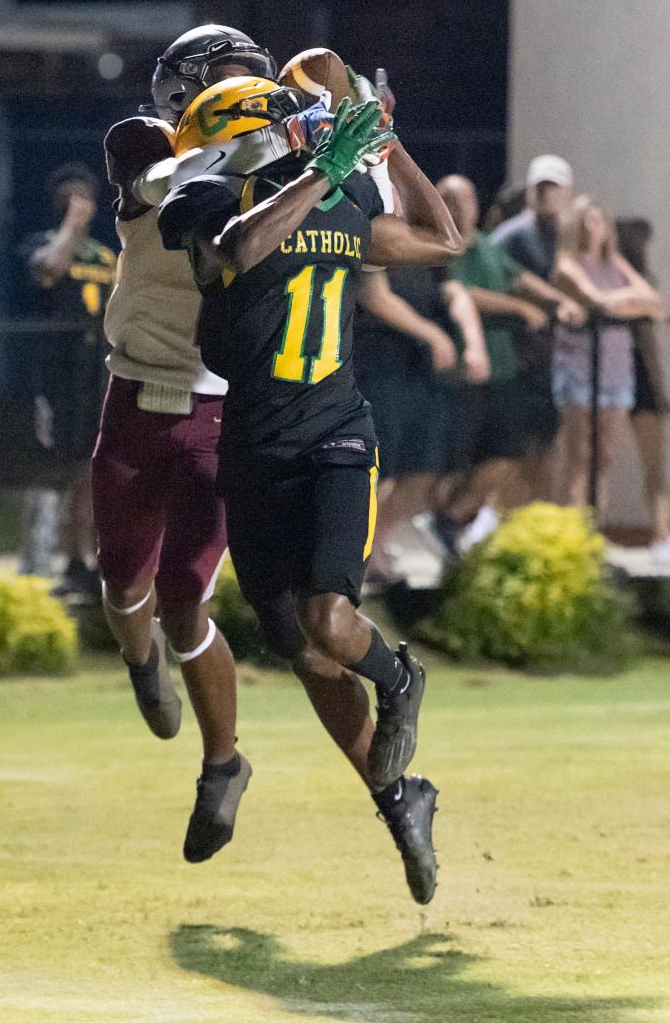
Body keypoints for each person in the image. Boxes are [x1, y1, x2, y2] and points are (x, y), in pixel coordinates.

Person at [160, 76, 463, 904]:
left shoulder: (339, 193)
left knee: (331, 621)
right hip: (254, 449)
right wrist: (324, 171)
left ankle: (401, 680)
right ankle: (398, 796)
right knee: (304, 653)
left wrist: (390, 146)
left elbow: (445, 240)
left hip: (336, 434)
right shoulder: (212, 198)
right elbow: (235, 251)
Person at [97, 23, 279, 863]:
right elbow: (166, 183)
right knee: (121, 581)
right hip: (136, 395)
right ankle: (140, 667)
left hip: (220, 405)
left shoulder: (275, 167)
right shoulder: (150, 142)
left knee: (185, 599)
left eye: (255, 86)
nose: (247, 103)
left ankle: (222, 765)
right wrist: (283, 144)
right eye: (231, 85)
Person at [433, 175, 584, 548]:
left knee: (505, 454)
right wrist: (519, 308)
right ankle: (436, 522)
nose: (461, 208)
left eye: (467, 200)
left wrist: (558, 301)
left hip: (502, 369)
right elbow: (462, 293)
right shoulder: (438, 248)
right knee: (449, 461)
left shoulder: (486, 245)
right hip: (458, 376)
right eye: (451, 200)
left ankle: (451, 519)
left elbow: (519, 278)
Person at [355, 264, 489, 582]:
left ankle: (377, 540)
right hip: (379, 366)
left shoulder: (427, 247)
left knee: (424, 473)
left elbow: (454, 289)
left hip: (423, 373)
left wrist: (472, 342)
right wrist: (433, 334)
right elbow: (376, 296)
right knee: (379, 472)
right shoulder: (377, 228)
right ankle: (362, 555)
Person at [20, 164, 116, 599]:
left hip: (99, 370)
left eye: (84, 197)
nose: (78, 203)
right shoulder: (42, 242)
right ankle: (50, 556)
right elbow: (48, 271)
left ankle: (86, 562)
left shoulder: (105, 255)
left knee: (91, 467)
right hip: (58, 372)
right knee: (60, 463)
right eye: (68, 197)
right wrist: (72, 226)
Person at [552, 196, 663, 516]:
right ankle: (571, 530)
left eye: (599, 220)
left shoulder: (614, 261)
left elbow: (653, 301)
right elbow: (595, 299)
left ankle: (593, 527)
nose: (594, 228)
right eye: (587, 220)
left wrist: (623, 300)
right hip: (580, 368)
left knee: (604, 458)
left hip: (616, 369)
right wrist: (629, 301)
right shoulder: (568, 263)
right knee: (580, 457)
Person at [490, 155, 574, 499]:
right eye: (540, 188)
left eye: (553, 187)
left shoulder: (571, 234)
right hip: (520, 357)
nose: (546, 195)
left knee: (548, 442)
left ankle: (539, 515)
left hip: (558, 357)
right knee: (514, 448)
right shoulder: (511, 236)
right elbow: (498, 276)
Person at [615, 218, 670, 565]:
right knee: (597, 459)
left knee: (653, 464)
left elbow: (654, 318)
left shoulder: (643, 281)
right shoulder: (612, 277)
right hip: (615, 368)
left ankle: (662, 532)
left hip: (641, 374)